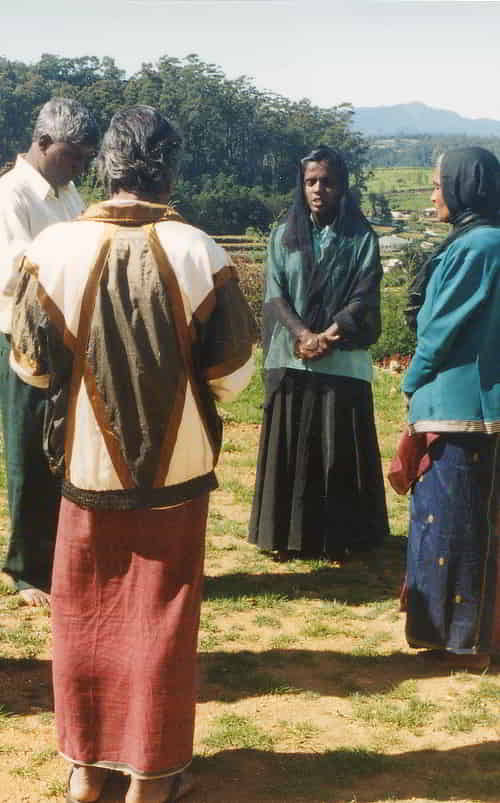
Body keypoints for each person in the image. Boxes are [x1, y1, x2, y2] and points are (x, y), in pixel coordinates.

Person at [10, 105, 256, 803]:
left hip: (82, 468)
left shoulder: (52, 248)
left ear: (107, 163)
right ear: (169, 166)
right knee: (163, 621)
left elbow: (29, 366)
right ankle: (152, 773)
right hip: (176, 472)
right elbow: (232, 375)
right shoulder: (200, 250)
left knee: (82, 615)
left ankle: (88, 770)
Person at [249, 146, 389, 562]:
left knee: (335, 446)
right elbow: (275, 292)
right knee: (292, 445)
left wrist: (327, 335)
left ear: (341, 185)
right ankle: (284, 537)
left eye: (327, 181)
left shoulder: (361, 237)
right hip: (292, 356)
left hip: (341, 357)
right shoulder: (283, 235)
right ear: (301, 184)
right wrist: (302, 334)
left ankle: (338, 537)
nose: (318, 189)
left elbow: (364, 294)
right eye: (311, 181)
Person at [403, 146, 500, 670]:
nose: (433, 192)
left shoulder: (480, 245)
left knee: (456, 527)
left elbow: (441, 328)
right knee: (462, 524)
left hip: (464, 410)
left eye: (440, 182)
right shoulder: (479, 241)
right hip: (463, 409)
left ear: (465, 185)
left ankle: (465, 644)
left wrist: (412, 378)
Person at [0, 97, 98, 606]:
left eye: (84, 159)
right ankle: (25, 568)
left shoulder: (69, 193)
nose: (78, 167)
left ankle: (61, 557)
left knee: (64, 451)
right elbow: (14, 272)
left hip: (67, 339)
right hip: (21, 341)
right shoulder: (11, 195)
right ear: (41, 143)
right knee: (27, 453)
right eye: (71, 156)